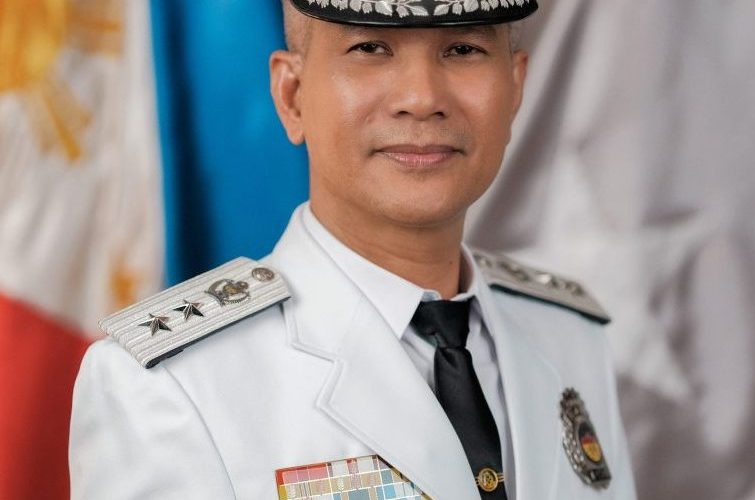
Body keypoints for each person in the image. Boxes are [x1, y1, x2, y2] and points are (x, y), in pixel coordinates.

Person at [69, 1, 636, 499]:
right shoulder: (172, 388)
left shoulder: (569, 338)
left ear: (514, 89)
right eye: (370, 48)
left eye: (463, 49)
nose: (421, 98)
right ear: (292, 96)